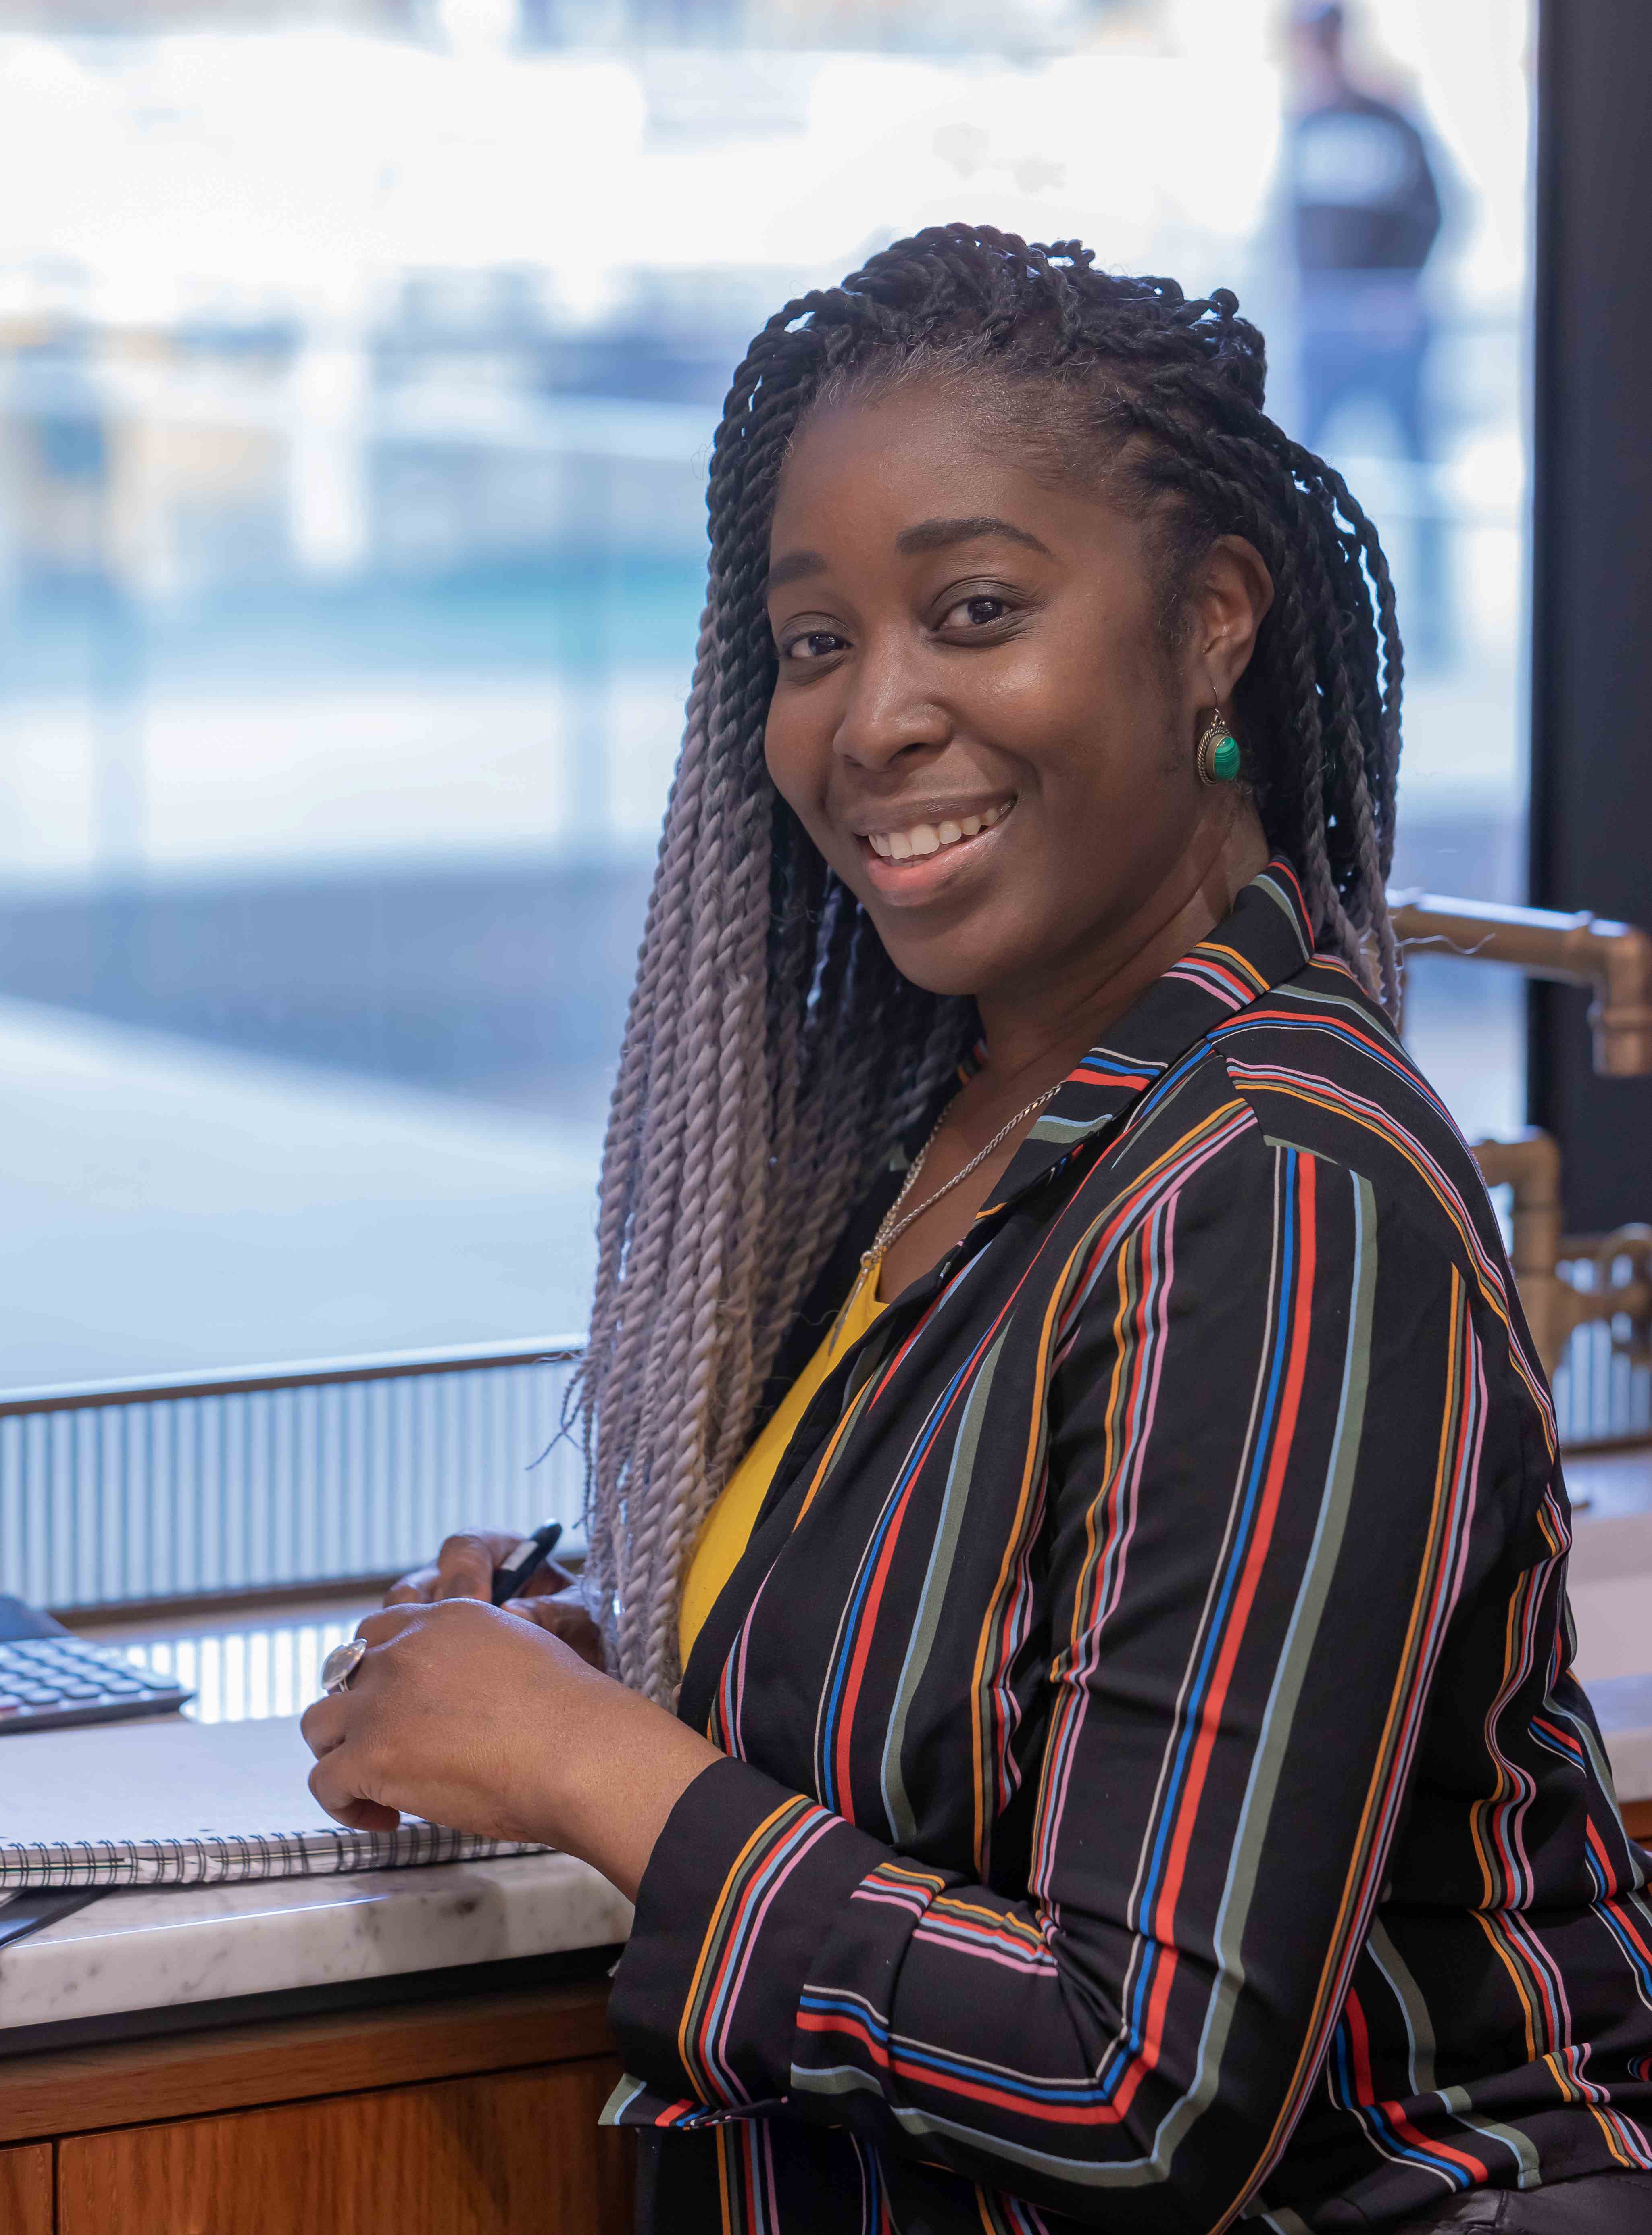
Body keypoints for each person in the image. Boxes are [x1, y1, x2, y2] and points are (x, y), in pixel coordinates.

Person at [301, 226, 1652, 2231]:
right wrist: (627, 1636)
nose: (872, 719)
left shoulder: (1272, 1193)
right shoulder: (953, 1136)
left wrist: (589, 1760)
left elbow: (1142, 2080)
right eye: (814, 640)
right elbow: (980, 1667)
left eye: (973, 607)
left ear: (1207, 620)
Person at [1283, 0, 1453, 669]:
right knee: (1299, 473)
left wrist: (1398, 292)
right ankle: (1296, 608)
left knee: (1417, 474)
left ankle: (1435, 624)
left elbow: (1433, 209)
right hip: (1323, 324)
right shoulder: (1303, 123)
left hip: (1386, 327)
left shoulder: (1387, 116)